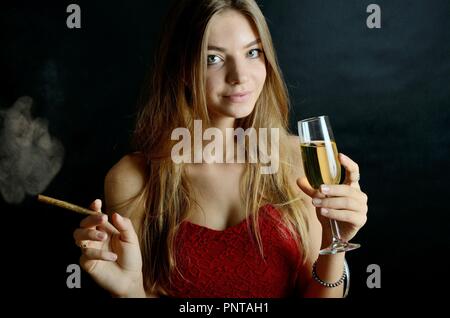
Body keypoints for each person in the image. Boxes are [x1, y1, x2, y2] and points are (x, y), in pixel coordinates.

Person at [73, 0, 368, 298]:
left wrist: (334, 241)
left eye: (253, 52)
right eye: (213, 58)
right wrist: (130, 292)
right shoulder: (135, 179)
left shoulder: (297, 159)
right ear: (183, 69)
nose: (240, 76)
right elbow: (136, 290)